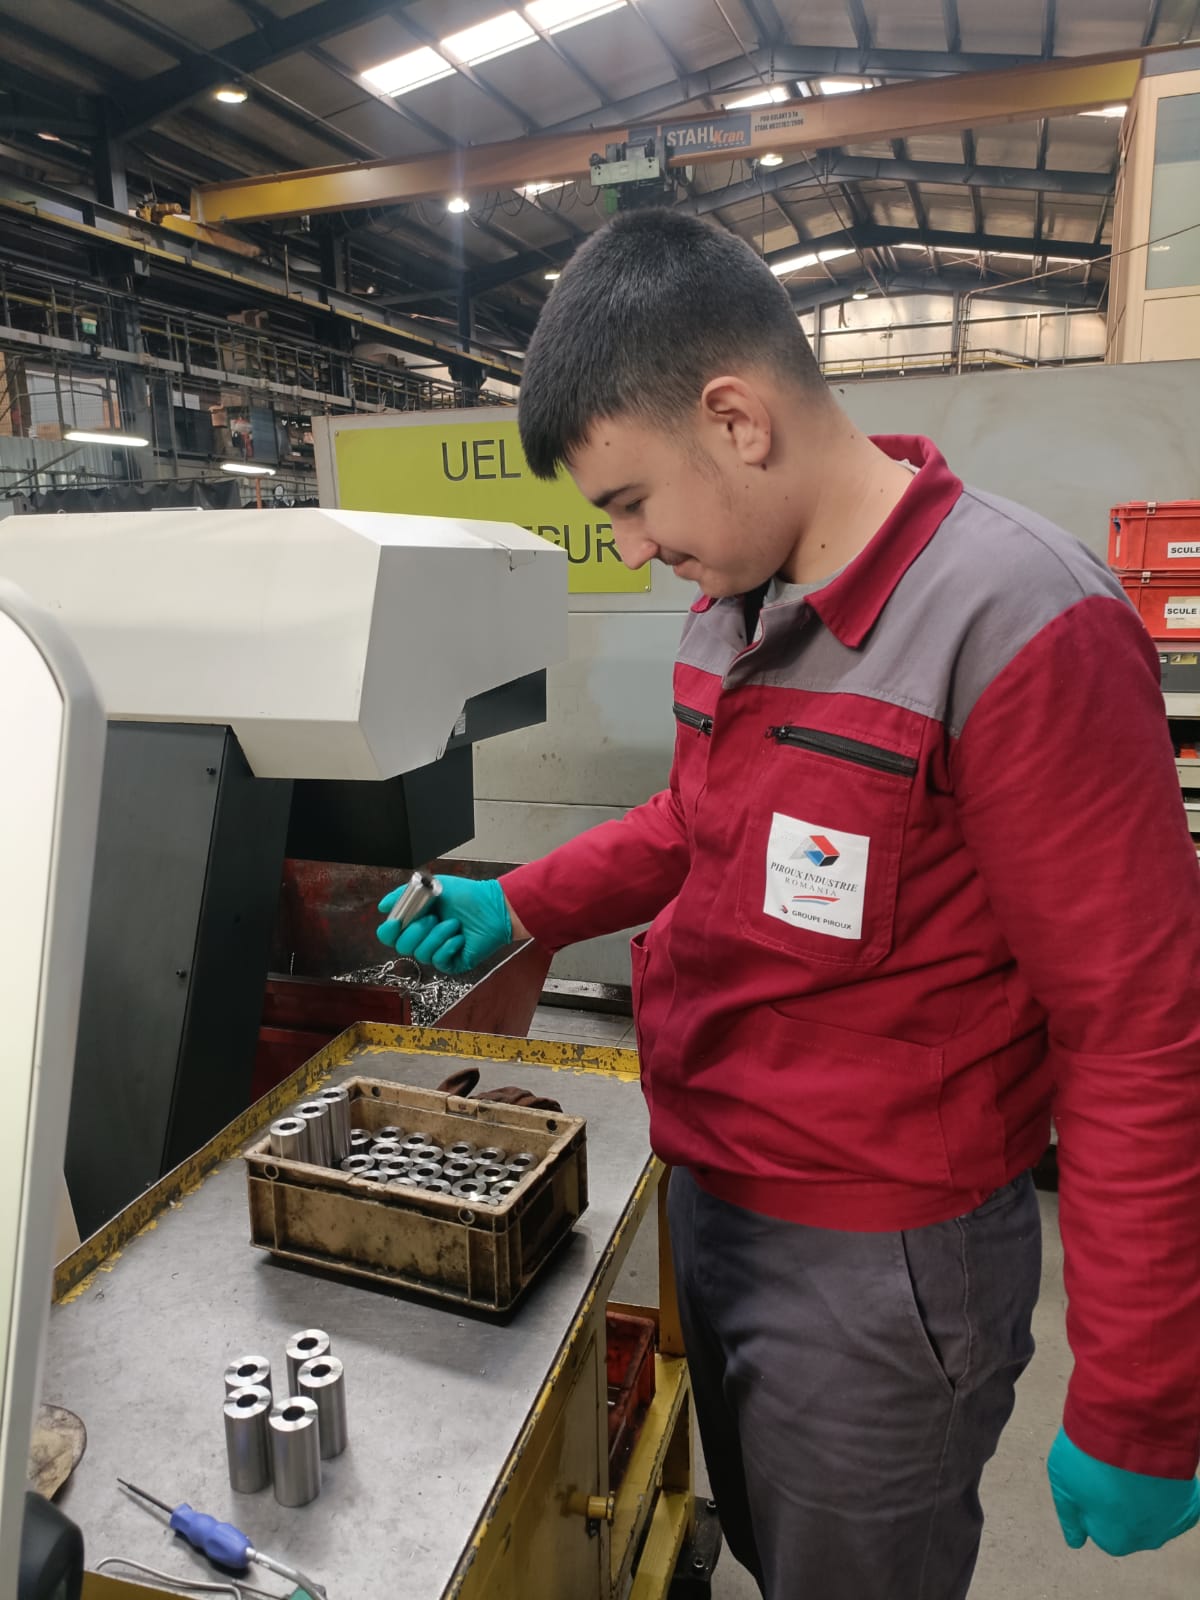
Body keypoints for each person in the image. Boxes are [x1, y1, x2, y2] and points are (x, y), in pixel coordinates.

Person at [376, 209, 1200, 1599]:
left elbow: (1138, 1031)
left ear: (735, 419)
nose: (628, 549)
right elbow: (699, 822)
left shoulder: (1018, 624)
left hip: (885, 1269)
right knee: (771, 1550)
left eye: (630, 503)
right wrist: (522, 906)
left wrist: (1142, 1392)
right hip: (715, 1191)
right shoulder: (739, 593)